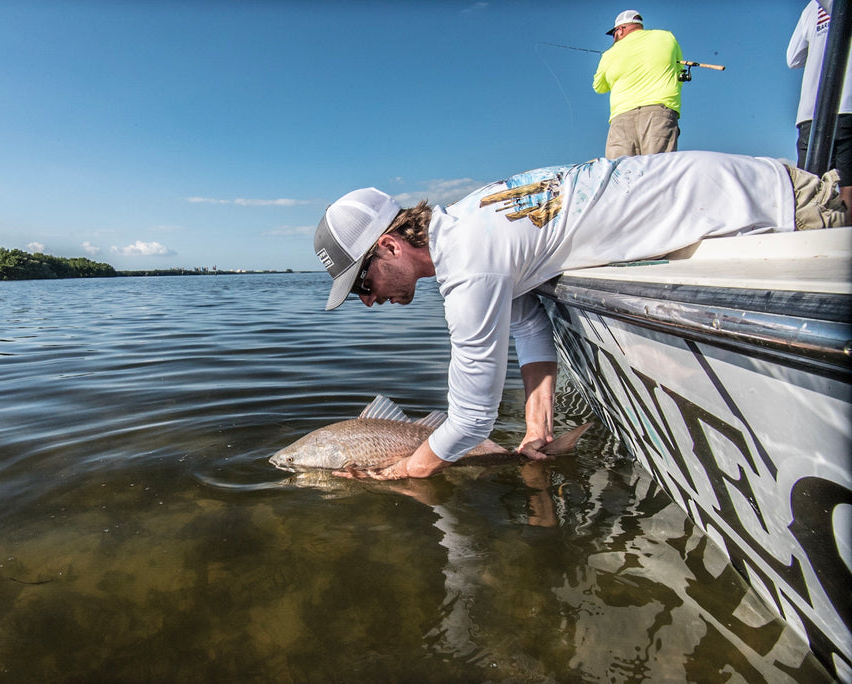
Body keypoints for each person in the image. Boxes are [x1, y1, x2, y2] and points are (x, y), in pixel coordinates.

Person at [312, 151, 847, 480]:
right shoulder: (471, 224)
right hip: (746, 195)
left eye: (362, 282)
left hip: (770, 209)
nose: (367, 299)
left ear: (389, 245)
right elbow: (529, 323)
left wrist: (410, 468)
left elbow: (472, 418)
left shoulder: (472, 268)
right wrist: (535, 428)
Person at [592, 9, 684, 158]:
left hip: (621, 118)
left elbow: (599, 86)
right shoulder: (666, 37)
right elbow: (679, 71)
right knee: (658, 171)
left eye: (614, 33)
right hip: (660, 113)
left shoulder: (609, 54)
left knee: (621, 175)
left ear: (620, 30)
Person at [787, 0, 852, 211]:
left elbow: (793, 58)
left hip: (810, 113)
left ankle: (809, 236)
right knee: (848, 187)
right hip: (848, 106)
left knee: (809, 187)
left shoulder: (812, 7)